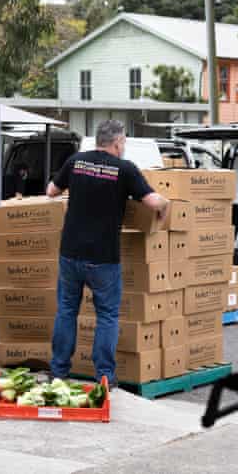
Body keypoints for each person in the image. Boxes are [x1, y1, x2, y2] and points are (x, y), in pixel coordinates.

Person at [45, 119, 168, 387]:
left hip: (71, 252)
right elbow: (152, 201)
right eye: (123, 141)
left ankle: (58, 372)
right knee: (107, 316)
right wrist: (167, 204)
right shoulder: (124, 169)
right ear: (117, 142)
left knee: (66, 310)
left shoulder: (76, 161)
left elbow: (51, 191)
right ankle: (103, 377)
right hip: (104, 258)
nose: (123, 146)